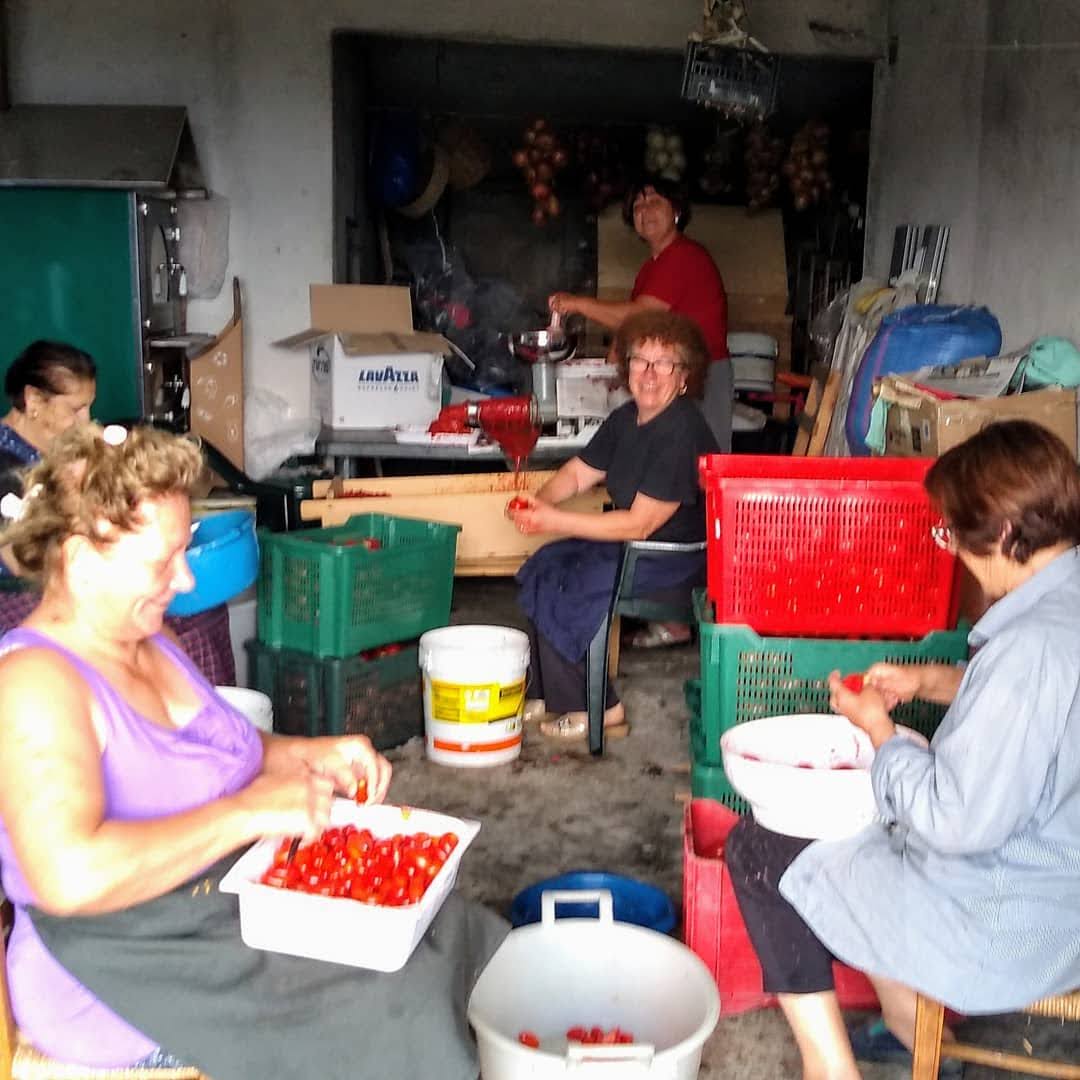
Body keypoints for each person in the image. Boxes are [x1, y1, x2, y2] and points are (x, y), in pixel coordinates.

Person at [0, 424, 506, 1077]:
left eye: (184, 551)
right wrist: (248, 813)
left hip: (210, 907)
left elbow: (207, 751)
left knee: (444, 931)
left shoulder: (149, 639)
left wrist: (308, 754)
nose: (185, 579)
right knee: (391, 1002)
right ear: (79, 556)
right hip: (122, 969)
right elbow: (68, 877)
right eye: (162, 562)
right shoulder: (35, 686)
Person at [725, 419, 1080, 1080]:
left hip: (1004, 932)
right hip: (1062, 900)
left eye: (954, 535)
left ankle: (830, 1068)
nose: (954, 551)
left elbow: (955, 821)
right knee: (872, 827)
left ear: (1005, 534)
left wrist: (879, 733)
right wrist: (932, 682)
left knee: (760, 847)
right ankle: (910, 1025)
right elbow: (1046, 714)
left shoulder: (1026, 651)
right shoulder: (1064, 605)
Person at [510, 310, 718, 741]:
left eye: (664, 363)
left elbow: (640, 524)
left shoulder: (681, 431)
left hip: (673, 562)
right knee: (546, 566)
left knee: (575, 585)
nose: (649, 373)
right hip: (633, 547)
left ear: (684, 376)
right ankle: (548, 693)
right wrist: (540, 501)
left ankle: (601, 708)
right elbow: (578, 473)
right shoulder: (626, 419)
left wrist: (552, 519)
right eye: (640, 360)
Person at [547, 176, 732, 454]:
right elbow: (632, 331)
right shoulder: (651, 268)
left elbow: (639, 316)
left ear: (676, 211)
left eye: (654, 202)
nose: (645, 211)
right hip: (671, 375)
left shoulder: (684, 256)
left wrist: (577, 304)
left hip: (702, 377)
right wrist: (610, 366)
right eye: (637, 206)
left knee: (700, 464)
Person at [0, 339, 97, 564]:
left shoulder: (51, 454)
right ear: (33, 400)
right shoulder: (7, 474)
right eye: (76, 409)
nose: (86, 421)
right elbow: (22, 562)